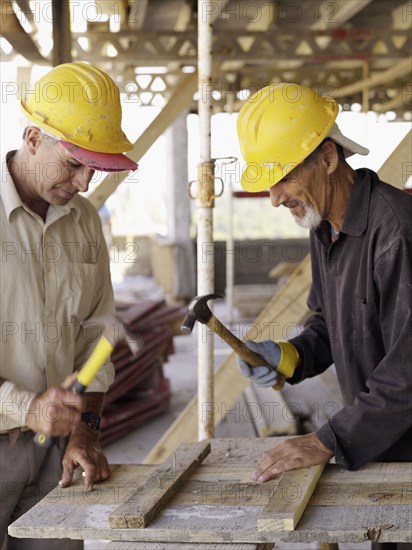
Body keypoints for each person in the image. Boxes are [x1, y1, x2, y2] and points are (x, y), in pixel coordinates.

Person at [236, 83, 412, 550]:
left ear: (329, 159)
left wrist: (328, 439)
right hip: (384, 451)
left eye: (284, 177)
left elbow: (409, 369)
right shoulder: (325, 227)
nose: (275, 198)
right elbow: (329, 323)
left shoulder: (397, 231)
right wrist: (289, 356)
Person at [0, 61, 137, 550]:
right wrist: (26, 407)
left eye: (93, 169)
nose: (83, 184)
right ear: (33, 138)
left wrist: (87, 432)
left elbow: (97, 338)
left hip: (57, 451)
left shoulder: (83, 222)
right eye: (73, 164)